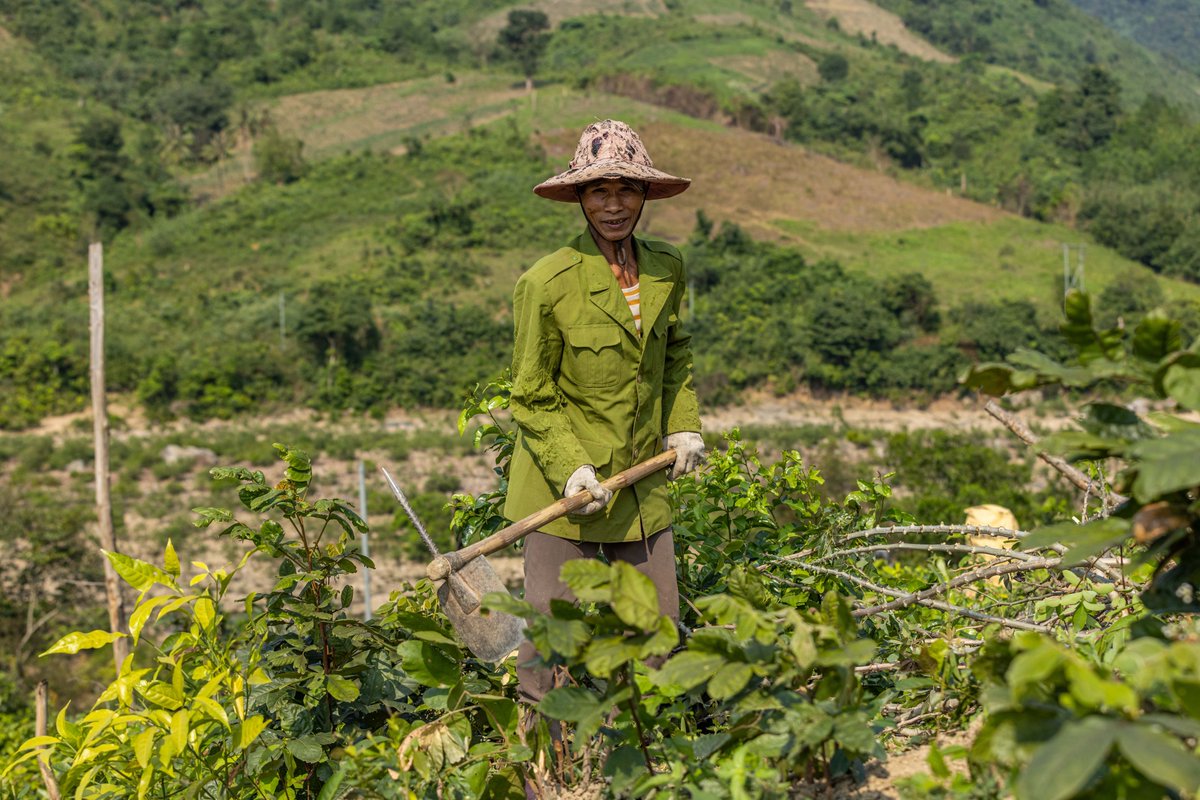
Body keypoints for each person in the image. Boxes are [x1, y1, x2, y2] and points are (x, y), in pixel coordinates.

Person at [505, 119, 706, 709]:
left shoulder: (667, 267)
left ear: (645, 195)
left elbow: (675, 356)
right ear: (580, 199)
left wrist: (684, 422)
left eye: (626, 189)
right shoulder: (546, 282)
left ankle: (644, 764)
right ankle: (546, 773)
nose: (613, 205)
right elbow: (531, 393)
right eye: (599, 190)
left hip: (641, 485)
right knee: (549, 639)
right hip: (562, 492)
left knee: (656, 635)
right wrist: (572, 468)